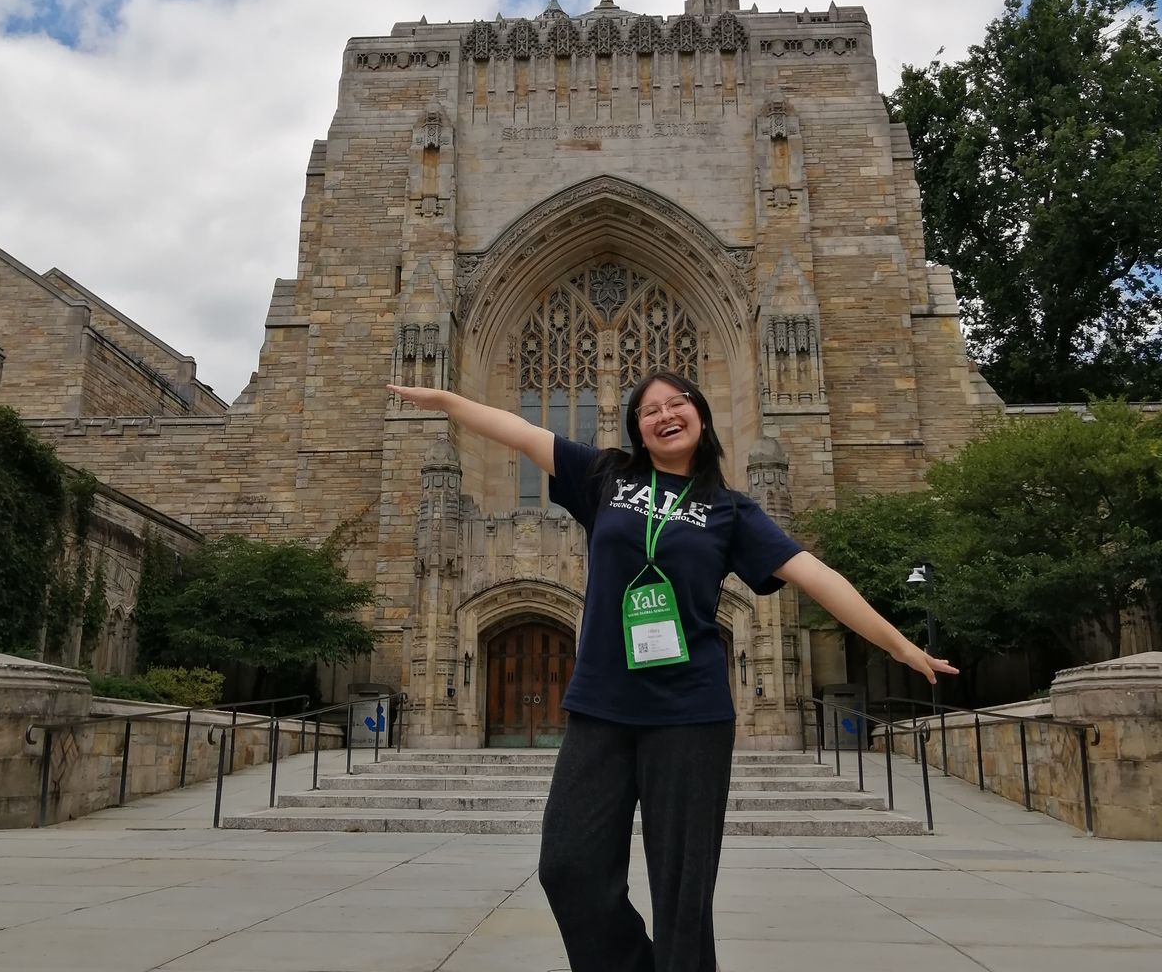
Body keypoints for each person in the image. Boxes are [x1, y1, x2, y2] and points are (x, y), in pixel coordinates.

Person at [387, 370, 957, 972]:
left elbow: (814, 575)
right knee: (567, 866)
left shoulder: (730, 510)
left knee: (683, 896)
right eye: (649, 409)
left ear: (701, 416)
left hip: (690, 714)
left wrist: (898, 644)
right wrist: (446, 400)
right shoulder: (606, 476)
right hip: (602, 706)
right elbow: (523, 433)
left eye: (676, 403)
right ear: (637, 428)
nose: (664, 414)